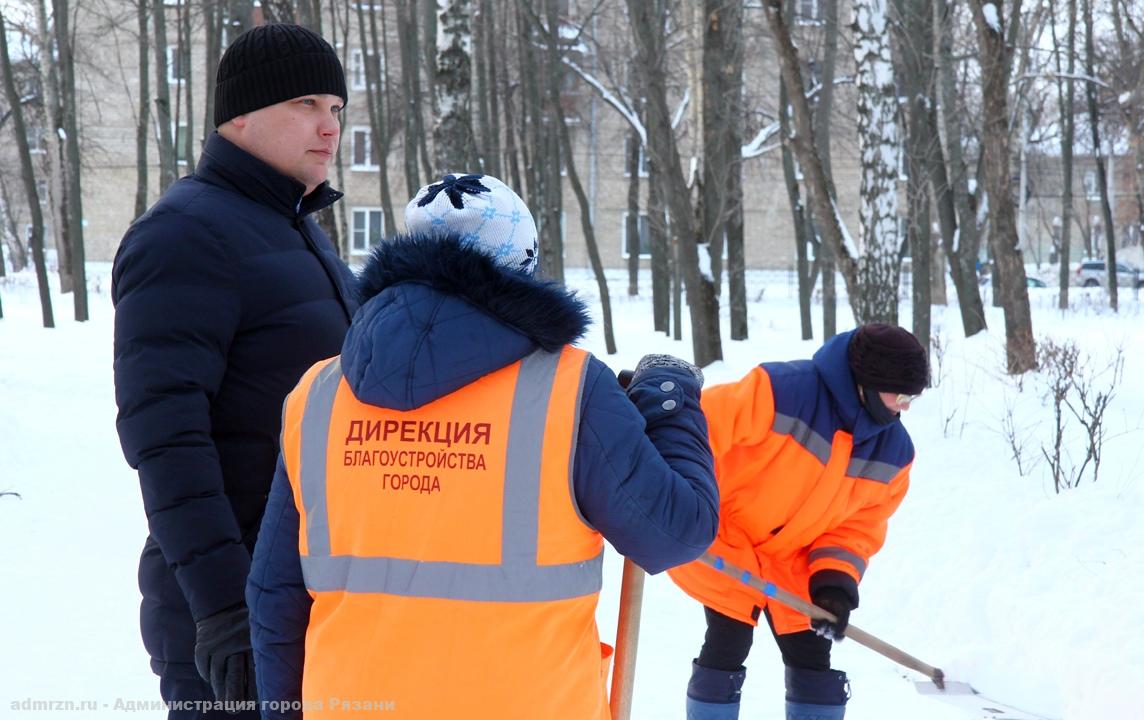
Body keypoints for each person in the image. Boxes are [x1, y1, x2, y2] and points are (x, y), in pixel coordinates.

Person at [248, 173, 720, 718]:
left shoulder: (319, 394)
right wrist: (671, 402)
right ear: (520, 267)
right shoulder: (567, 390)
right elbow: (675, 532)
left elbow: (274, 594)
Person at [112, 23, 356, 719]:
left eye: (336, 108)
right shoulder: (185, 234)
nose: (328, 125)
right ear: (239, 117)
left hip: (304, 595)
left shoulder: (295, 227)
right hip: (232, 612)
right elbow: (166, 438)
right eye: (306, 104)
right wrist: (224, 606)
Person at [667, 324, 929, 720]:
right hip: (721, 531)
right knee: (729, 636)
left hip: (794, 554)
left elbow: (856, 529)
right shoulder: (781, 391)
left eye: (915, 397)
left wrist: (834, 584)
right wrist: (674, 491)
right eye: (903, 395)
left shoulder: (893, 454)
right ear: (869, 383)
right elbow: (697, 428)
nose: (906, 407)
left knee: (811, 648)